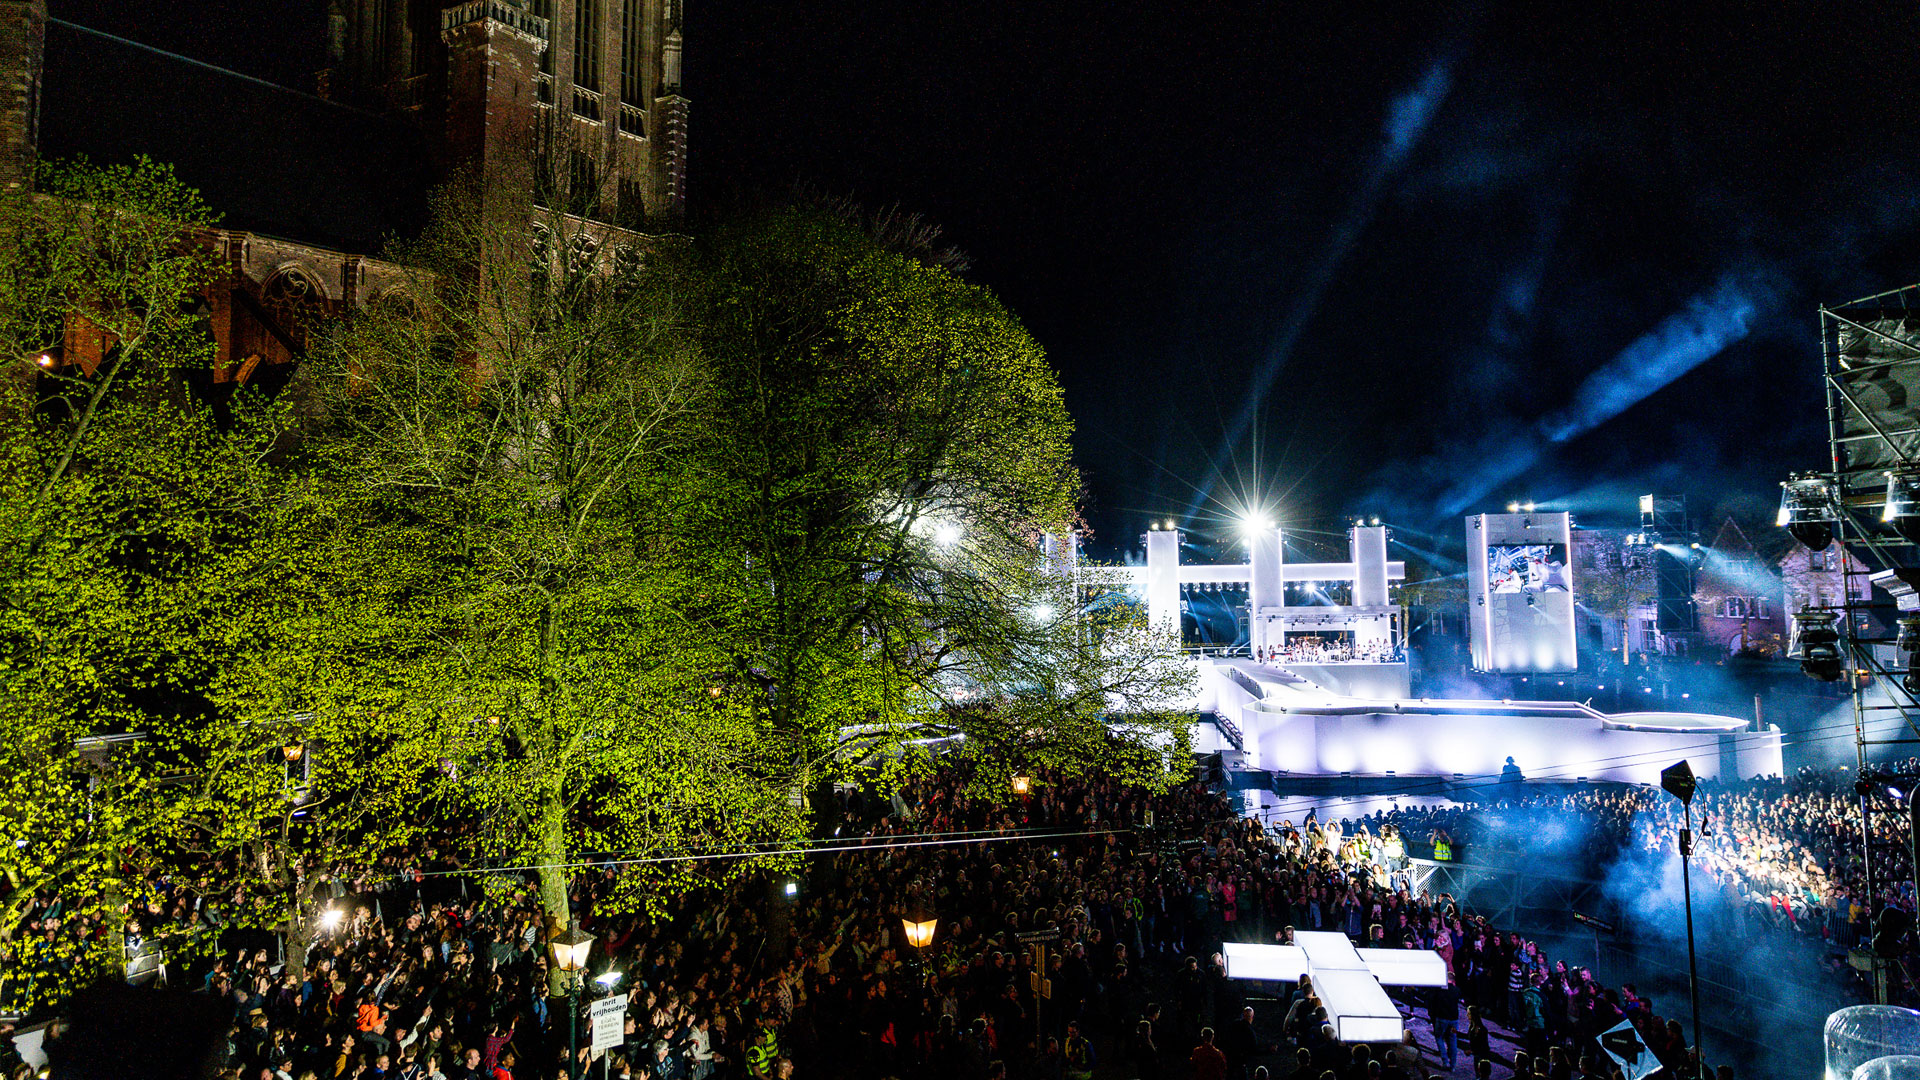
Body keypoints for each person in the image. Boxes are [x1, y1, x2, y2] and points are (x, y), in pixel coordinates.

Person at [1426, 974, 1460, 1071]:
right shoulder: (1457, 990)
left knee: (1439, 1037)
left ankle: (1445, 1061)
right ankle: (1453, 1065)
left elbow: (1433, 1001)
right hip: (1454, 1019)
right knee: (1453, 1040)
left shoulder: (1439, 990)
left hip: (1442, 1018)